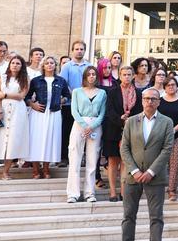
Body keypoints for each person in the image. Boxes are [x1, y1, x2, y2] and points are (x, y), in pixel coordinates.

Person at [113, 88, 173, 241]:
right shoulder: (132, 121)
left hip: (155, 177)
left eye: (153, 99)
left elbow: (167, 148)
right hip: (133, 177)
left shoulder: (166, 122)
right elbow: (124, 148)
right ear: (142, 100)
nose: (149, 102)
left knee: (156, 217)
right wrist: (134, 171)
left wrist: (151, 171)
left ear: (159, 102)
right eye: (146, 98)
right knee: (128, 216)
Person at [67, 66, 105, 203]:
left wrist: (92, 126)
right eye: (88, 74)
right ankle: (73, 193)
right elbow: (74, 111)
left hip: (95, 126)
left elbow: (102, 113)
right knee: (75, 158)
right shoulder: (77, 91)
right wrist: (85, 126)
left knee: (92, 160)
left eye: (94, 74)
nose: (91, 76)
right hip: (79, 125)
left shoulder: (102, 93)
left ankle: (90, 193)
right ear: (84, 77)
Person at [104, 65, 142, 201]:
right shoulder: (112, 92)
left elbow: (139, 112)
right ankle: (113, 192)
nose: (126, 77)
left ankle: (123, 191)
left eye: (129, 74)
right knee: (113, 161)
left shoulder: (138, 93)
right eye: (124, 74)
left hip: (130, 131)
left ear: (133, 76)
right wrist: (120, 120)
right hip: (113, 130)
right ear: (120, 76)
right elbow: (109, 110)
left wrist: (129, 121)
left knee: (126, 162)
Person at [26, 57, 68, 179]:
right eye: (47, 63)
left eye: (52, 63)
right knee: (36, 140)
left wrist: (62, 100)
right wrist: (32, 104)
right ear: (43, 66)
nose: (49, 65)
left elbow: (67, 95)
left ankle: (46, 168)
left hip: (54, 113)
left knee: (50, 139)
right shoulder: (36, 80)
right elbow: (27, 96)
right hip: (38, 113)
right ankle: (35, 169)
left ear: (56, 66)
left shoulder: (61, 80)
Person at [157, 77, 178, 202]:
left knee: (174, 165)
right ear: (164, 87)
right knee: (160, 164)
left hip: (177, 137)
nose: (171, 87)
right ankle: (158, 189)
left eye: (173, 84)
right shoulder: (159, 101)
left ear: (177, 86)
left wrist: (173, 130)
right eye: (168, 85)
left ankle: (172, 190)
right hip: (160, 137)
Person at [60, 41, 90, 165]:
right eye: (77, 49)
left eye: (81, 49)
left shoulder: (88, 66)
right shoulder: (67, 66)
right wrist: (75, 94)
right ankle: (64, 158)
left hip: (85, 105)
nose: (79, 51)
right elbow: (63, 83)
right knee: (67, 130)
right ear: (72, 50)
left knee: (84, 131)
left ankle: (82, 157)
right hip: (70, 104)